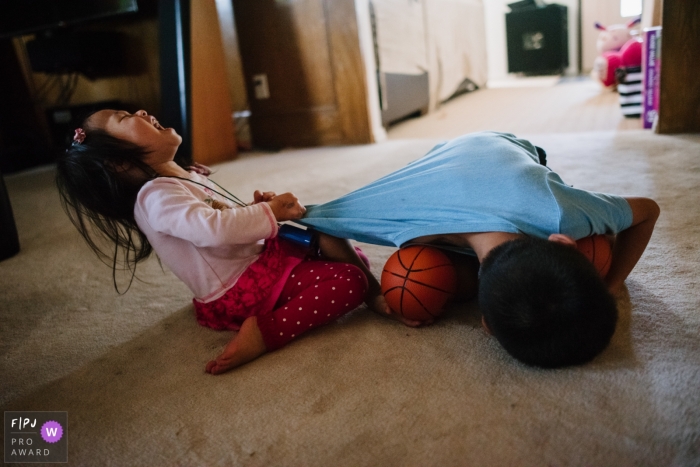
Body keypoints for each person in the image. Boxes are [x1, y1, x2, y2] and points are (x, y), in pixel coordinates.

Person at [55, 109, 384, 375]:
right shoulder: (155, 196)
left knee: (338, 245)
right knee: (349, 278)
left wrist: (253, 210)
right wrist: (267, 213)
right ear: (120, 162)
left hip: (256, 261)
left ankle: (369, 293)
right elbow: (212, 229)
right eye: (126, 118)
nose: (141, 110)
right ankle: (266, 331)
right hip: (238, 289)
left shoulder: (179, 178)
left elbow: (220, 218)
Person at [299, 131, 660, 368]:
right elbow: (316, 226)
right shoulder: (400, 215)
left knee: (450, 280)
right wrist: (373, 296)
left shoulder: (562, 213)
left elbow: (646, 212)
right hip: (465, 151)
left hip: (505, 162)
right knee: (432, 277)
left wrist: (608, 286)